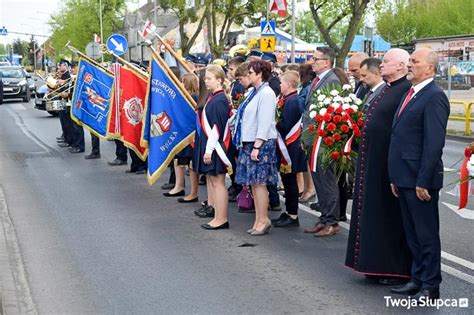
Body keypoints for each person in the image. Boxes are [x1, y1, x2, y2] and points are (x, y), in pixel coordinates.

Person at [345, 48, 413, 285]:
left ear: (401, 66)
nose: (381, 65)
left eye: (386, 62)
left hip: (387, 166)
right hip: (373, 162)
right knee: (372, 216)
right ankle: (372, 264)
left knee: (388, 219)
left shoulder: (405, 90)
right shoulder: (389, 88)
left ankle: (392, 269)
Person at [388, 48, 449, 300]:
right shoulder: (411, 93)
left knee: (426, 235)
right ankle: (417, 278)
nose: (410, 64)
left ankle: (430, 285)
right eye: (410, 60)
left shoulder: (434, 96)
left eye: (415, 61)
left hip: (419, 180)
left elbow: (434, 143)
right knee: (412, 233)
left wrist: (423, 180)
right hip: (404, 177)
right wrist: (395, 176)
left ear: (430, 69)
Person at [233, 60, 278, 236]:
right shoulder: (253, 92)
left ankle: (263, 219)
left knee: (260, 183)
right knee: (253, 183)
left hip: (260, 143)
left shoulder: (266, 93)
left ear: (260, 74)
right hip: (249, 141)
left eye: (251, 72)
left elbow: (265, 121)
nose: (248, 74)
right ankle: (259, 219)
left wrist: (258, 145)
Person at [303, 47, 342, 237]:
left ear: (326, 62)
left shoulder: (331, 81)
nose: (312, 62)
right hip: (313, 137)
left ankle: (331, 221)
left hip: (323, 139)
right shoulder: (318, 80)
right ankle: (324, 217)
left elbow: (329, 111)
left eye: (315, 59)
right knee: (318, 179)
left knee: (327, 180)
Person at [194, 65, 231, 230]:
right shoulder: (213, 98)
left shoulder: (219, 100)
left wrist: (208, 150)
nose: (205, 81)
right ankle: (217, 216)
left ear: (220, 80)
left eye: (209, 78)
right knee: (213, 181)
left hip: (215, 147)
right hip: (211, 146)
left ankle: (221, 218)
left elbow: (216, 128)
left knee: (218, 182)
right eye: (205, 78)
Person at [272, 71, 307, 228]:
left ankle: (293, 215)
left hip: (291, 148)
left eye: (281, 82)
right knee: (287, 181)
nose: (280, 85)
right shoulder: (288, 99)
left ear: (289, 84)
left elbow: (285, 124)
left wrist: (273, 124)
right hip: (287, 146)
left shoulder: (292, 101)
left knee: (290, 181)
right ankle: (289, 212)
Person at [166, 73, 199, 203]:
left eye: (181, 81)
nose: (179, 83)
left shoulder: (193, 97)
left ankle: (193, 192)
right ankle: (178, 186)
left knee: (190, 163)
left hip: (189, 135)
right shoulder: (183, 96)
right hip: (180, 133)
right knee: (178, 160)